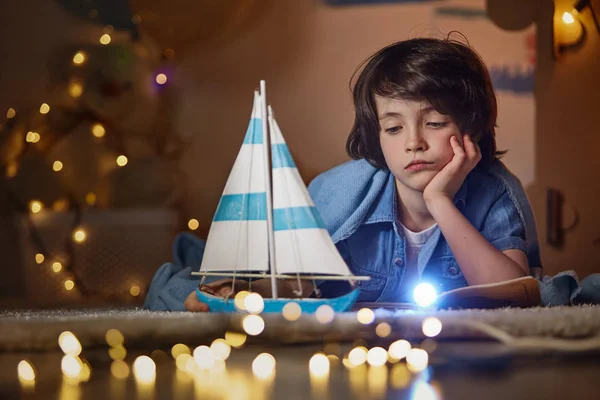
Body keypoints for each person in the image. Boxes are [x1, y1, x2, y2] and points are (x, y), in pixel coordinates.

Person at [151, 36, 542, 312]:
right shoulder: (340, 193)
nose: (413, 142)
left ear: (470, 127)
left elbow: (514, 296)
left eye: (435, 123)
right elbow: (282, 278)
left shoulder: (494, 191)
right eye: (393, 128)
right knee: (199, 281)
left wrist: (440, 201)